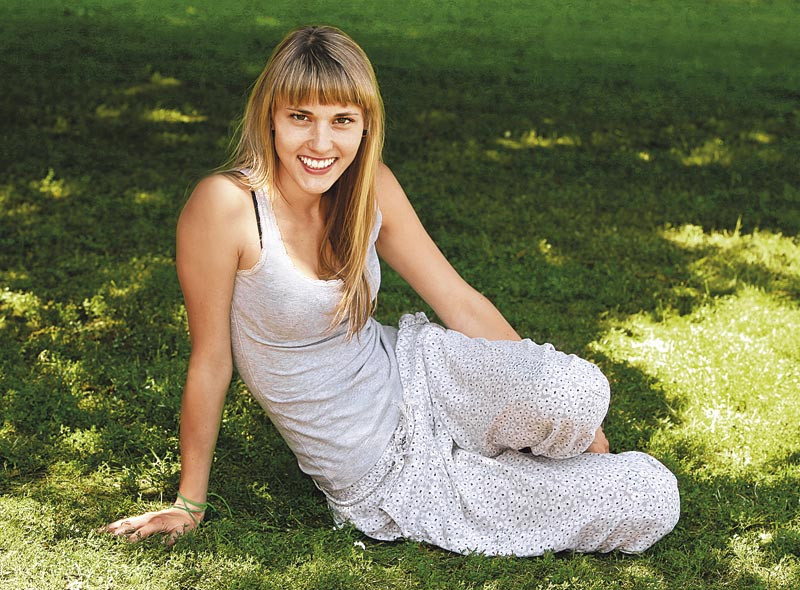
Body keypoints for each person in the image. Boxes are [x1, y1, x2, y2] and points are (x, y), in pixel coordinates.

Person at [102, 25, 679, 556]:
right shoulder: (226, 207)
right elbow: (211, 360)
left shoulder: (369, 187)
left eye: (342, 120)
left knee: (576, 390)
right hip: (384, 469)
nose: (320, 142)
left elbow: (457, 299)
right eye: (300, 117)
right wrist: (189, 502)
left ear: (365, 125)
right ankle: (516, 462)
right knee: (652, 497)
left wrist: (570, 419)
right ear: (270, 117)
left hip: (422, 372)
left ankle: (525, 444)